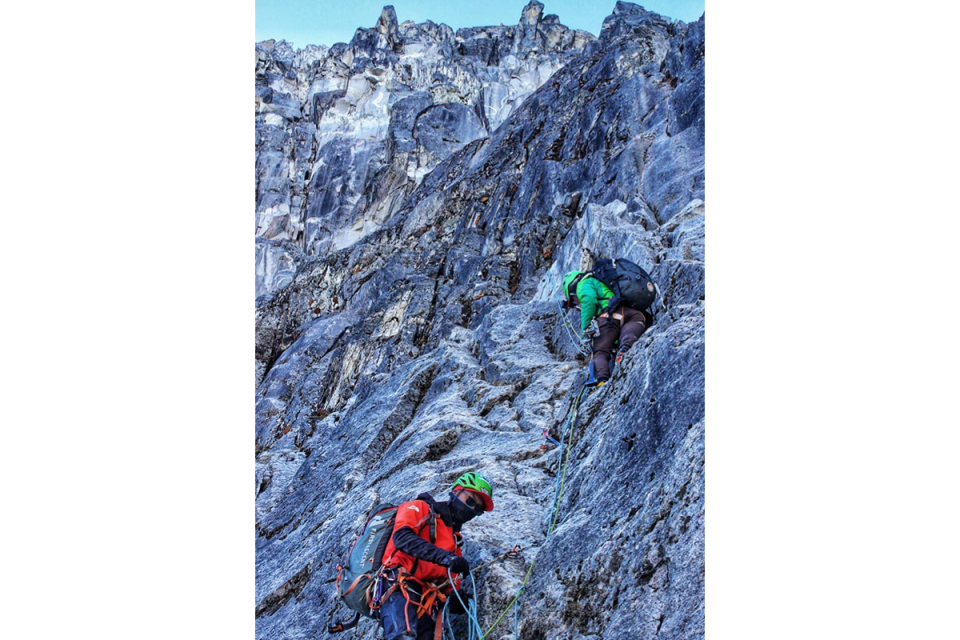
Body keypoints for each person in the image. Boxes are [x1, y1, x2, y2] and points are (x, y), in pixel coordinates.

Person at [377, 472, 494, 640]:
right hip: (397, 585)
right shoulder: (420, 507)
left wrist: (464, 600)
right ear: (456, 491)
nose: (472, 510)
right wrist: (446, 558)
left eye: (478, 510)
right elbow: (402, 537)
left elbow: (447, 592)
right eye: (470, 501)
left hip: (424, 604)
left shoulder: (455, 546)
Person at [563, 269, 650, 386]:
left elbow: (589, 300)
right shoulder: (603, 282)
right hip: (634, 314)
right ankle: (624, 351)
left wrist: (585, 331)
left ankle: (602, 381)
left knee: (600, 352)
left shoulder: (584, 283)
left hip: (608, 318)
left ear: (572, 291)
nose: (577, 303)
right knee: (629, 335)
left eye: (573, 301)